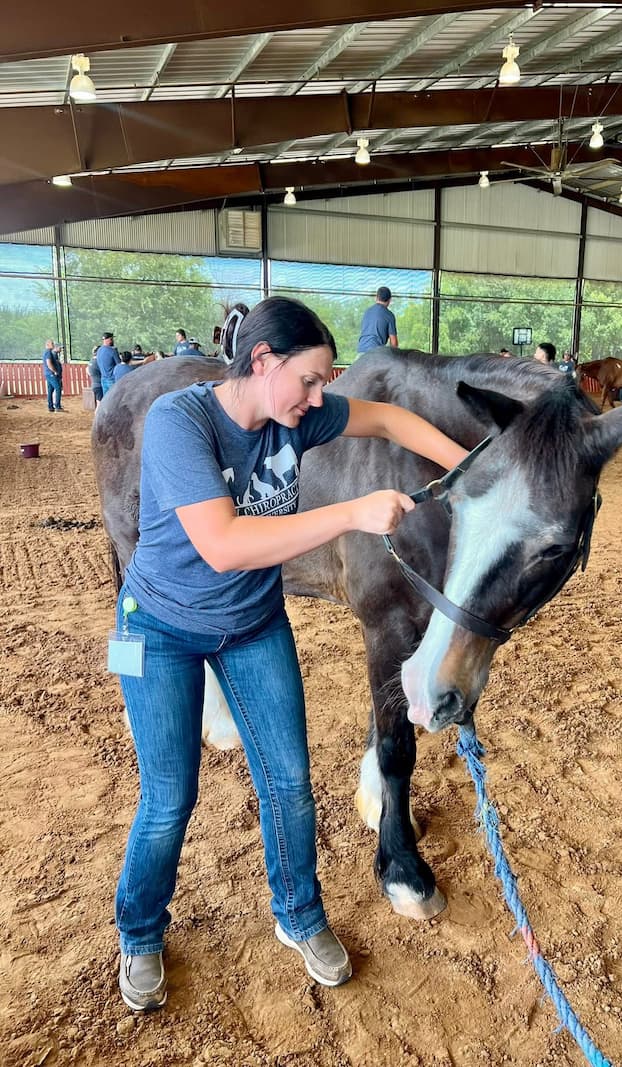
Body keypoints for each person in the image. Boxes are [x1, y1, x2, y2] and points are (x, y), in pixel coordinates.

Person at [113, 295, 468, 1012]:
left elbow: (391, 417)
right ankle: (141, 930)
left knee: (290, 783)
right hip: (159, 628)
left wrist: (474, 471)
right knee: (168, 800)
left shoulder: (300, 412)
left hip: (250, 625)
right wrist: (355, 509)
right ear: (262, 360)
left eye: (325, 383)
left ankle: (300, 915)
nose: (319, 398)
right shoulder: (180, 422)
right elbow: (225, 544)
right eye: (309, 380)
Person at [357, 286, 398, 353]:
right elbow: (394, 344)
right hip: (376, 353)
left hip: (361, 351)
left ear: (376, 298)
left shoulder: (367, 312)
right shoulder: (389, 315)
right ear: (390, 300)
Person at [42, 339, 64, 412]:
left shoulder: (48, 352)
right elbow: (49, 363)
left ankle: (50, 406)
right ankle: (57, 406)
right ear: (47, 344)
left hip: (48, 373)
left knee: (50, 390)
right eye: (52, 343)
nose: (53, 344)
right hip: (51, 374)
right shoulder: (48, 352)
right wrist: (54, 371)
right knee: (58, 388)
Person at [96, 332, 120, 396]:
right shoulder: (112, 351)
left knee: (106, 399)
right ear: (108, 339)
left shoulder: (99, 350)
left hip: (103, 379)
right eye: (112, 339)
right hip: (112, 379)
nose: (113, 341)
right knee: (115, 398)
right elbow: (119, 365)